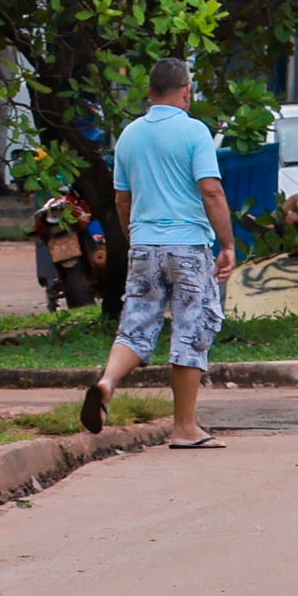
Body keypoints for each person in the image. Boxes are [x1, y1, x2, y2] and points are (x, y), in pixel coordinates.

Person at [87, 58, 238, 449]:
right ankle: (185, 428)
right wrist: (227, 245)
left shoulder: (130, 135)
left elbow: (123, 200)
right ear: (186, 90)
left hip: (144, 245)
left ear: (149, 93)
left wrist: (136, 237)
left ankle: (107, 382)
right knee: (190, 330)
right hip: (188, 246)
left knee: (136, 325)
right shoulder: (194, 132)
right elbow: (211, 191)